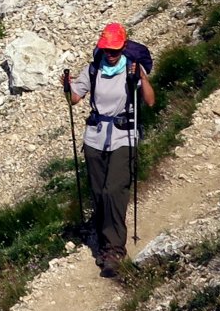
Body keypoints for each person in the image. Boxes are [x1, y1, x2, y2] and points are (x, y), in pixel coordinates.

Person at [61, 22, 155, 276]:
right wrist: (67, 87)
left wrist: (142, 78)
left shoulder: (132, 69)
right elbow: (74, 98)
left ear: (123, 47)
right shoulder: (93, 69)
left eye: (114, 50)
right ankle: (104, 241)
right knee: (98, 191)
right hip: (95, 137)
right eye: (107, 50)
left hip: (124, 136)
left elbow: (149, 100)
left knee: (114, 189)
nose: (110, 54)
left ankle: (114, 250)